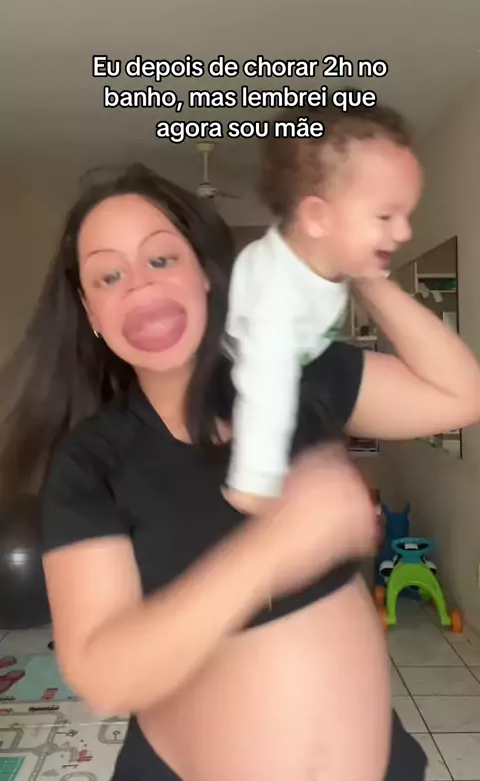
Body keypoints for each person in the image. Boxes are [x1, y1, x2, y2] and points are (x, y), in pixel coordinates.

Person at [1, 163, 479, 781]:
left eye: (161, 259)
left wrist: (359, 269)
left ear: (204, 274)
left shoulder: (296, 373)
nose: (140, 285)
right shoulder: (91, 462)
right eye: (109, 275)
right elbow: (103, 675)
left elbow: (459, 396)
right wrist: (273, 547)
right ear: (92, 311)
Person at [224, 97, 412, 515]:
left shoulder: (318, 254)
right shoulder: (276, 299)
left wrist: (367, 264)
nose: (404, 232)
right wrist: (256, 478)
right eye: (386, 216)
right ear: (317, 218)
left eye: (407, 214)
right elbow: (264, 386)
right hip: (245, 384)